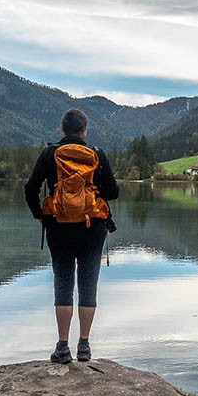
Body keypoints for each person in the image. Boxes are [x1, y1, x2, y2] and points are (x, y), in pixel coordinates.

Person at [24, 109, 119, 364]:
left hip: (58, 226)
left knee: (63, 283)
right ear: (84, 130)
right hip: (93, 226)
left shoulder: (50, 154)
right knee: (88, 285)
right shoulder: (97, 155)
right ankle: (85, 347)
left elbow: (30, 188)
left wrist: (40, 215)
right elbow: (113, 192)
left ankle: (63, 347)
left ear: (62, 129)